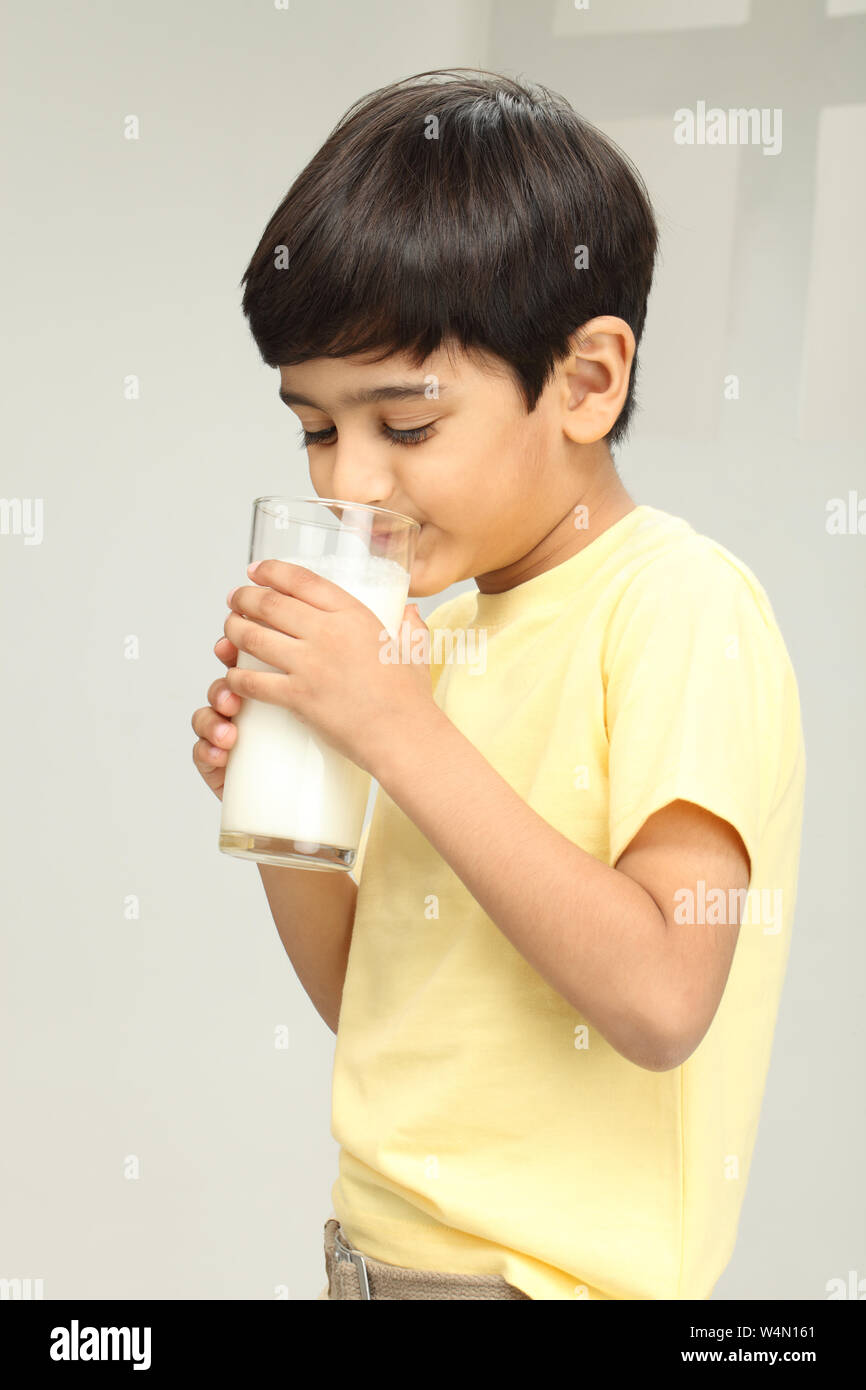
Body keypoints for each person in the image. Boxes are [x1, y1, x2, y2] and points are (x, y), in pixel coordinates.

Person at [192, 68, 805, 1300]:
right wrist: (289, 797)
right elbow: (375, 1009)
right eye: (315, 428)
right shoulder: (431, 637)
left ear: (586, 381)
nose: (346, 485)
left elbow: (658, 995)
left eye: (403, 426)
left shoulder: (677, 607)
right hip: (364, 1268)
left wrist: (395, 726)